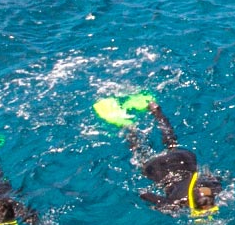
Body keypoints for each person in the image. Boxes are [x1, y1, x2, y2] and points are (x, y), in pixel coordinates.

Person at [94, 92, 223, 217]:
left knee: (172, 144)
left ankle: (156, 111)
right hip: (159, 169)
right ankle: (129, 128)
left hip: (183, 158)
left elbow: (212, 176)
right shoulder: (176, 203)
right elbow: (144, 194)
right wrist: (163, 208)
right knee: (139, 155)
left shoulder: (215, 188)